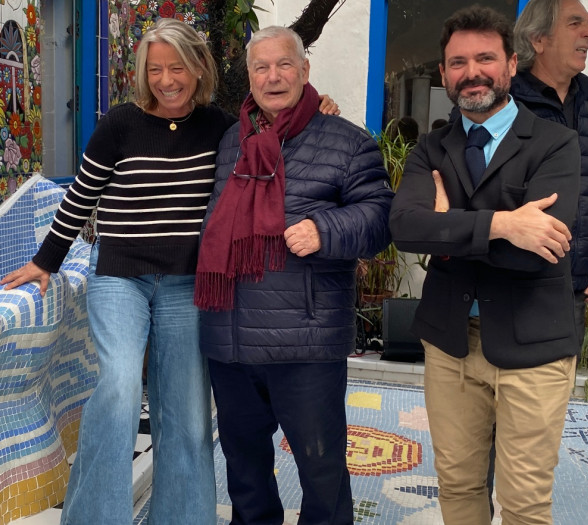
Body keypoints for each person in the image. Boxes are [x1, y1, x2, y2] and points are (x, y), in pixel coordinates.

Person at [0, 19, 339, 524]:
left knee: (187, 415)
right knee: (116, 389)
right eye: (155, 69)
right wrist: (45, 261)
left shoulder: (221, 127)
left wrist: (319, 109)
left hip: (186, 284)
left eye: (176, 67)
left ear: (197, 68)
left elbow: (274, 131)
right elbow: (81, 196)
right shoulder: (120, 123)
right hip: (120, 277)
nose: (166, 79)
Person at [388, 6, 582, 524]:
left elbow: (541, 249)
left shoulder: (555, 143)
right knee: (457, 485)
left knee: (522, 503)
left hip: (532, 345)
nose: (471, 71)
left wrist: (451, 226)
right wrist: (501, 224)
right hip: (450, 342)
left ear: (512, 64)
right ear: (445, 73)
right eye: (457, 62)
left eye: (484, 58)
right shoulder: (431, 148)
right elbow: (405, 228)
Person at [195, 25, 392, 525]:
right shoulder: (227, 142)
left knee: (321, 470)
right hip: (231, 339)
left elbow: (379, 216)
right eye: (261, 67)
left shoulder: (346, 142)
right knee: (243, 469)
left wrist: (326, 229)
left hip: (305, 341)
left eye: (285, 64)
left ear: (305, 71)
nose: (273, 76)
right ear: (249, 77)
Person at [512, 0, 588, 339]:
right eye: (575, 23)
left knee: (555, 392)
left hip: (571, 290)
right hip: (509, 285)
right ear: (538, 40)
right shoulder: (504, 102)